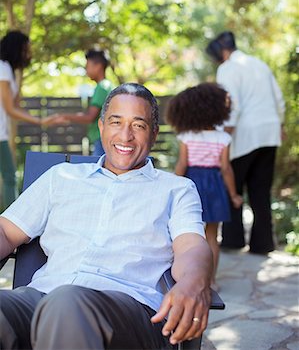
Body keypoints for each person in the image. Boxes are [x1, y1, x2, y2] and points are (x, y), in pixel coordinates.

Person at [0, 83, 213, 350]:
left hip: (127, 310)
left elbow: (191, 247)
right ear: (101, 126)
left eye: (138, 125)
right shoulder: (61, 177)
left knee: (66, 303)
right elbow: (7, 231)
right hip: (41, 297)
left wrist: (194, 281)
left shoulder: (176, 189)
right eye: (116, 122)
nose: (125, 136)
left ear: (154, 133)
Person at [206, 31, 285, 254]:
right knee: (261, 191)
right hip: (269, 133)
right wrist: (280, 125)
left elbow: (231, 104)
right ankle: (263, 244)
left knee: (233, 185)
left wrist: (223, 138)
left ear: (221, 52)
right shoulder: (259, 63)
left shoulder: (227, 68)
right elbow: (278, 98)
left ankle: (233, 240)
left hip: (244, 135)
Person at [166, 83, 242, 289]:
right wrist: (233, 194)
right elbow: (226, 168)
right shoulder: (223, 137)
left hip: (192, 184)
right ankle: (211, 280)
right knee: (211, 236)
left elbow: (182, 164)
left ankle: (185, 276)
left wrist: (170, 188)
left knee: (187, 232)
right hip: (215, 187)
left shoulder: (186, 136)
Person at [0, 31, 58, 210]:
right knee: (10, 177)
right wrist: (40, 121)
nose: (29, 53)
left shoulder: (8, 69)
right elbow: (10, 109)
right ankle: (11, 224)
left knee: (10, 176)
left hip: (2, 132)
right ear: (17, 48)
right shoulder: (2, 68)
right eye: (26, 49)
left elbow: (15, 104)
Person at [58, 48, 113, 156]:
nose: (86, 70)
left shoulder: (102, 87)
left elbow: (89, 117)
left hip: (101, 140)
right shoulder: (107, 85)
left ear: (98, 66)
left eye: (88, 66)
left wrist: (66, 116)